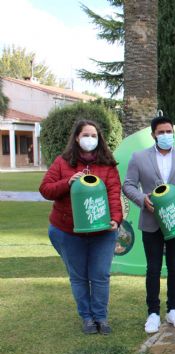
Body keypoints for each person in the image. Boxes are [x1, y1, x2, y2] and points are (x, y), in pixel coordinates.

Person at [40, 119, 122, 335]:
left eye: (94, 136)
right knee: (78, 276)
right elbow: (45, 189)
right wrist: (67, 182)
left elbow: (114, 193)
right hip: (68, 231)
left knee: (100, 275)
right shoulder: (62, 162)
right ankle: (87, 318)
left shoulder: (107, 165)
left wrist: (116, 218)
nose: (90, 139)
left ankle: (101, 317)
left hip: (102, 231)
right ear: (77, 137)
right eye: (86, 135)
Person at [123, 116, 175, 334]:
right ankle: (153, 313)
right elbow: (128, 185)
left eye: (169, 131)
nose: (166, 135)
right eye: (161, 132)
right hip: (151, 222)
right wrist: (141, 199)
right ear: (153, 135)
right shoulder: (139, 157)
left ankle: (174, 309)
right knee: (153, 268)